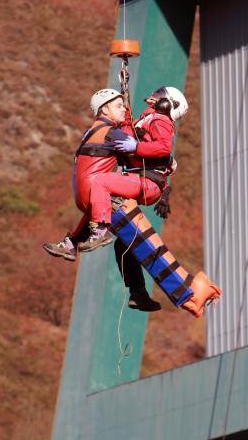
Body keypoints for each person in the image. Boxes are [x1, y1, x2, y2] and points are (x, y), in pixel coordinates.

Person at [43, 85, 188, 311]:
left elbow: (159, 147)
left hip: (146, 182)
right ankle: (137, 292)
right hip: (140, 181)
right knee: (125, 244)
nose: (153, 98)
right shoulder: (140, 122)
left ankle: (96, 231)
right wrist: (129, 121)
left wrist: (138, 145)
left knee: (101, 185)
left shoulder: (158, 121)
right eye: (118, 106)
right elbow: (132, 136)